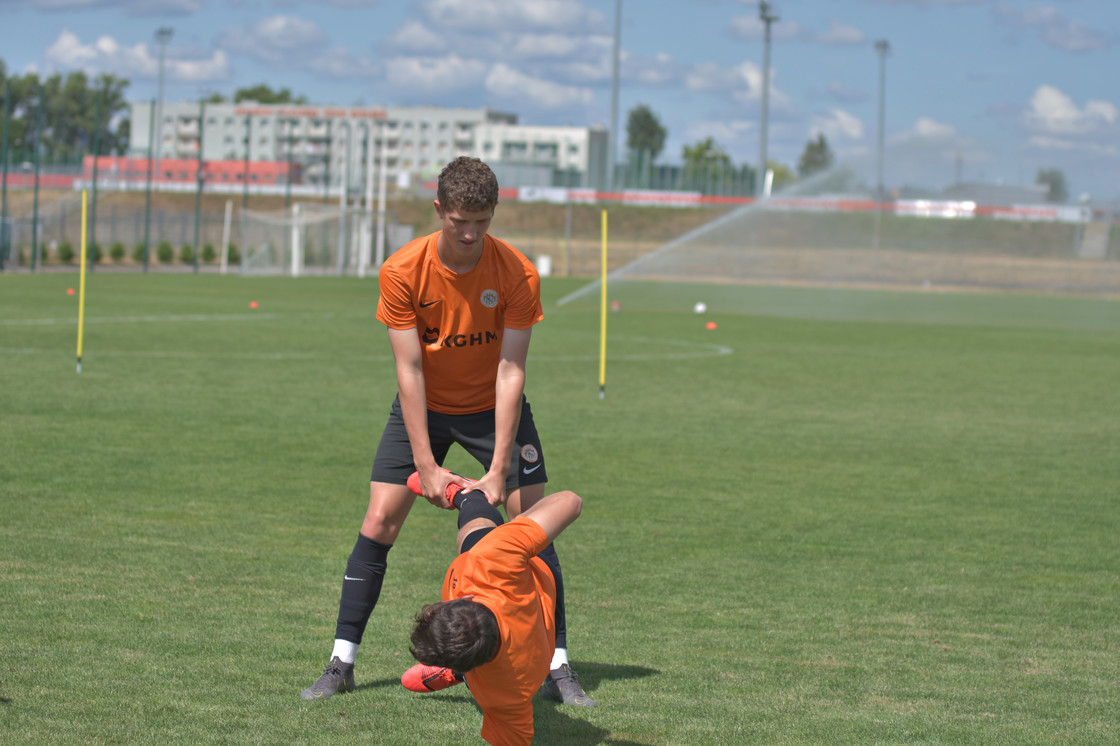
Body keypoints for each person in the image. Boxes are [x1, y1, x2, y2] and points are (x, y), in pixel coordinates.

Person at [300, 157, 594, 707]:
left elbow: (511, 370)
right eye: (460, 220)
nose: (470, 233)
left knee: (533, 530)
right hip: (426, 410)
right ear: (439, 210)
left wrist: (499, 467)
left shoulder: (517, 273)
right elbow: (408, 371)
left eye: (481, 221)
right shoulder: (402, 271)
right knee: (379, 520)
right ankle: (341, 662)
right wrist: (426, 466)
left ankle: (557, 667)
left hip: (493, 409)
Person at [402, 486, 584, 746]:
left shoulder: (499, 696)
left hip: (528, 635)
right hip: (533, 580)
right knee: (478, 535)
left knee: (472, 536)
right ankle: (469, 494)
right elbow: (571, 500)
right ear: (467, 599)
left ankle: (468, 498)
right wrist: (522, 525)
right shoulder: (493, 560)